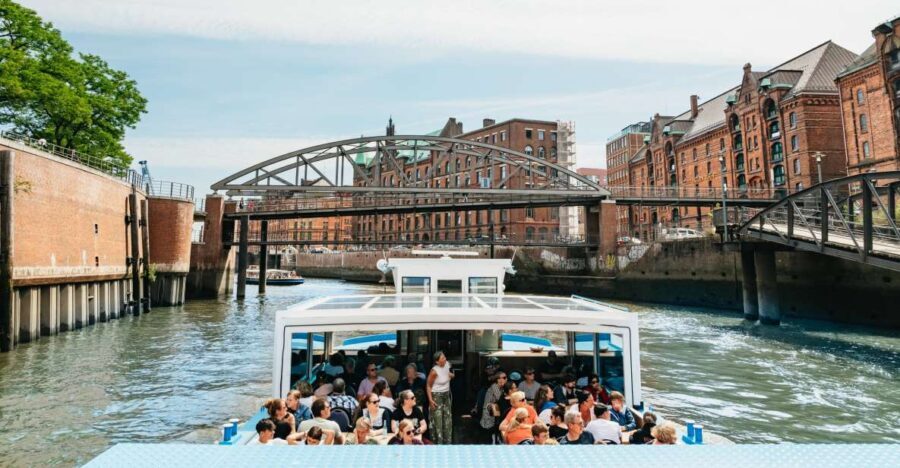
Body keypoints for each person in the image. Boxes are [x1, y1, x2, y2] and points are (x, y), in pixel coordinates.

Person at [426, 350, 454, 445]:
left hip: (446, 395)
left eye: (445, 357)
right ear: (437, 362)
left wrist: (451, 375)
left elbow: (452, 374)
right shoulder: (434, 371)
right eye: (442, 358)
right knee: (438, 421)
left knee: (447, 420)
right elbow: (428, 386)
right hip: (436, 396)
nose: (445, 359)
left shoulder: (447, 365)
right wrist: (430, 400)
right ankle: (438, 444)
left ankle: (447, 443)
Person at [479, 372, 506, 442]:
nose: (502, 380)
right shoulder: (494, 387)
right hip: (489, 414)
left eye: (504, 378)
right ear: (497, 379)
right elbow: (500, 399)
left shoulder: (502, 388)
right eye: (499, 378)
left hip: (496, 412)